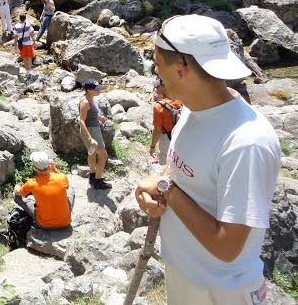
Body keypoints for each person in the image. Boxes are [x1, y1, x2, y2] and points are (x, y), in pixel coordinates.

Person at [134, 15, 280, 305]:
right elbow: (180, 172)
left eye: (157, 64)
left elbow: (226, 246)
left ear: (180, 69)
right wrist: (156, 188)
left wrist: (165, 188)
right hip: (186, 278)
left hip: (222, 293)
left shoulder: (246, 142)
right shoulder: (193, 111)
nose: (155, 73)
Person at [13, 152, 75, 230]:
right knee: (70, 189)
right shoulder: (62, 177)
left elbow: (18, 192)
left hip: (44, 224)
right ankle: (64, 212)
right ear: (49, 164)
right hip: (65, 223)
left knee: (16, 196)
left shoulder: (32, 183)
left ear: (35, 168)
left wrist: (17, 185)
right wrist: (54, 169)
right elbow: (66, 185)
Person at [78, 80, 111, 190]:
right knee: (103, 155)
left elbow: (90, 114)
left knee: (91, 153)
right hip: (91, 132)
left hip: (91, 130)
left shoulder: (89, 98)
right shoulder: (85, 102)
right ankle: (98, 181)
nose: (99, 91)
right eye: (97, 89)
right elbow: (81, 120)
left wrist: (99, 118)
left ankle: (92, 176)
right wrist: (90, 138)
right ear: (89, 90)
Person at [149, 78, 183, 165]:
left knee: (165, 164)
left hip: (166, 138)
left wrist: (152, 147)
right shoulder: (179, 98)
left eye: (157, 87)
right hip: (180, 135)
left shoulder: (158, 107)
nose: (155, 89)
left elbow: (157, 130)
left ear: (163, 87)